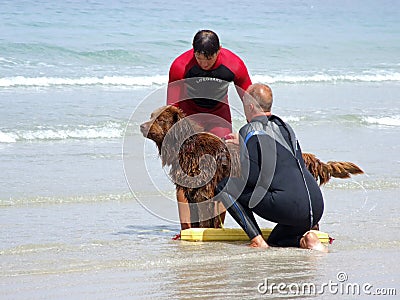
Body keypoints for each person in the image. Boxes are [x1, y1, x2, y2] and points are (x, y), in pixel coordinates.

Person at [215, 83, 328, 251]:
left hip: (289, 207)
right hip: (316, 206)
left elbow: (250, 178)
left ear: (251, 106)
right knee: (278, 239)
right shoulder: (285, 127)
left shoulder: (249, 129)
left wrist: (241, 151)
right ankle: (308, 240)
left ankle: (257, 240)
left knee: (225, 186)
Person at [167, 30, 252, 230]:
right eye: (199, 58)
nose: (204, 64)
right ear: (193, 51)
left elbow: (250, 101)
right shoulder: (180, 65)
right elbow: (172, 106)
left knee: (223, 169)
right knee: (184, 172)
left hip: (218, 116)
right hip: (189, 115)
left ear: (219, 51)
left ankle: (216, 227)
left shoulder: (234, 64)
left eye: (209, 59)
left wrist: (252, 131)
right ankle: (186, 228)